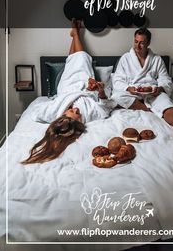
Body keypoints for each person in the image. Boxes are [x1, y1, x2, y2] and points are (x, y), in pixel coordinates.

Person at [22, 20, 116, 164]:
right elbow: (106, 107)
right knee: (81, 58)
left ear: (63, 116)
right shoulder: (89, 115)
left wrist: (55, 108)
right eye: (79, 115)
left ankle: (75, 33)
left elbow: (35, 112)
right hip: (85, 86)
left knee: (72, 63)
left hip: (66, 86)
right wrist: (100, 90)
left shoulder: (54, 113)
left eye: (73, 112)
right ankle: (75, 33)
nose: (77, 110)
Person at [112, 27, 173, 143]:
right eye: (136, 41)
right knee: (117, 96)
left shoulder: (157, 59)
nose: (137, 45)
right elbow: (117, 80)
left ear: (148, 43)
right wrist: (128, 88)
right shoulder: (125, 58)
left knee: (167, 103)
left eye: (142, 43)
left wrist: (160, 88)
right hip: (133, 92)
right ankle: (150, 110)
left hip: (152, 93)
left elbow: (165, 79)